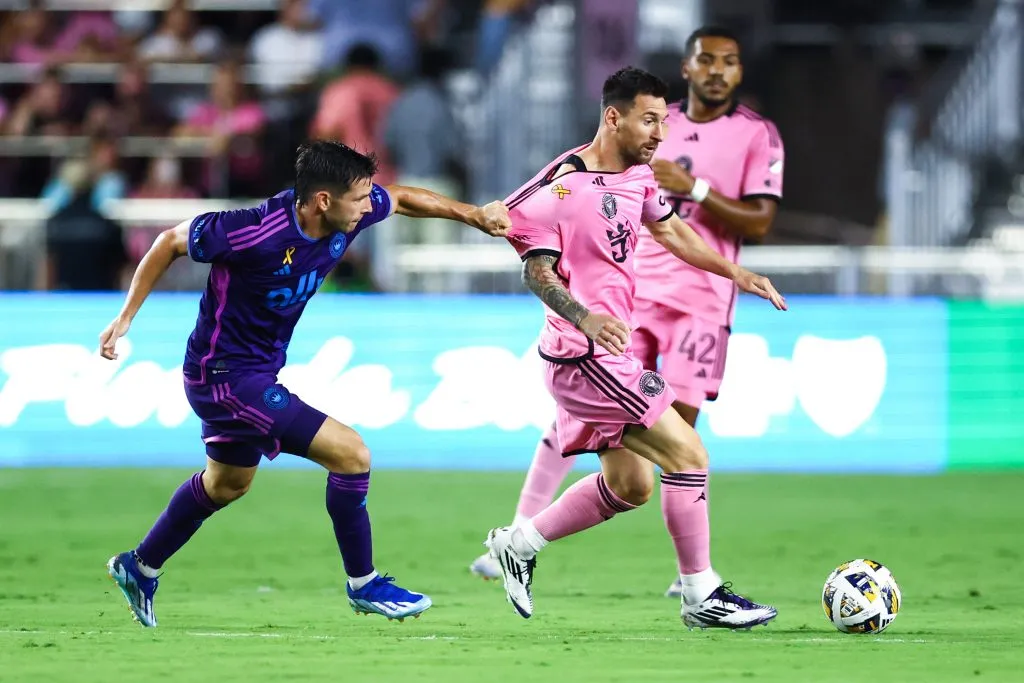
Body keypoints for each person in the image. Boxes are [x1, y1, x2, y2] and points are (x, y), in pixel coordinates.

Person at [100, 140, 511, 628]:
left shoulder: (346, 212)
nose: (368, 205)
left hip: (254, 372)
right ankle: (365, 584)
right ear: (322, 200)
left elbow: (400, 198)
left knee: (227, 484)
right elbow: (169, 242)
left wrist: (473, 216)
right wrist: (126, 317)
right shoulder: (252, 230)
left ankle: (139, 566)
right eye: (359, 198)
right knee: (351, 454)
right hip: (224, 377)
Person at [471, 26, 786, 602]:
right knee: (687, 451)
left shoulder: (640, 176)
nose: (660, 134)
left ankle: (518, 543)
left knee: (632, 482)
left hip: (615, 346)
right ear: (613, 119)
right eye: (649, 122)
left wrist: (736, 272)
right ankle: (701, 593)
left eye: (663, 122)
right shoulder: (563, 183)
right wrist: (485, 216)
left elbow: (671, 231)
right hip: (584, 354)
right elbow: (528, 256)